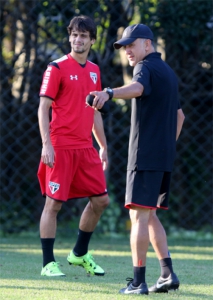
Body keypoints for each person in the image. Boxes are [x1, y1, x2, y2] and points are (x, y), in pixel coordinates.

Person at [90, 24, 185, 294]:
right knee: (149, 214)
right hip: (163, 157)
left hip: (145, 156)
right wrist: (165, 147)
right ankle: (166, 274)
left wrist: (108, 93)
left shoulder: (144, 68)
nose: (128, 50)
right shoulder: (168, 72)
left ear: (147, 44)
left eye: (132, 44)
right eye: (124, 46)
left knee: (138, 216)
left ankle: (138, 281)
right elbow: (180, 117)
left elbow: (139, 88)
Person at [37, 15, 110, 277]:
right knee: (53, 204)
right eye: (74, 35)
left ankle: (79, 254)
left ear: (92, 40)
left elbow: (96, 112)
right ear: (70, 37)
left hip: (85, 147)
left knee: (101, 200)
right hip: (60, 146)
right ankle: (48, 264)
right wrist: (47, 145)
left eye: (83, 36)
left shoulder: (94, 70)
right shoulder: (56, 67)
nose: (78, 40)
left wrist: (103, 146)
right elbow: (43, 107)